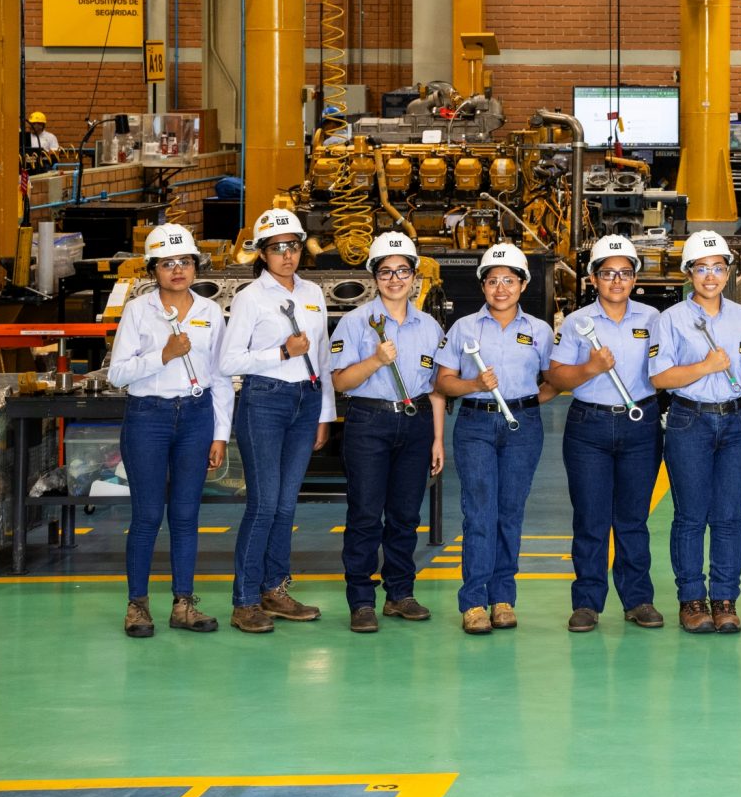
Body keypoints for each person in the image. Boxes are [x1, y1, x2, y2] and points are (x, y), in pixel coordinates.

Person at [107, 224, 231, 638]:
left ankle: (184, 604)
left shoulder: (210, 312)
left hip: (196, 418)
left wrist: (220, 433)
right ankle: (137, 605)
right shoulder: (138, 311)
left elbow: (221, 377)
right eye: (167, 263)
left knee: (185, 514)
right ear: (153, 270)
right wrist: (163, 355)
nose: (178, 270)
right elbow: (118, 374)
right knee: (147, 515)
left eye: (185, 261)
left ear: (196, 266)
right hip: (148, 417)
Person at [218, 207, 335, 633]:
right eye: (277, 248)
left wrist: (325, 413)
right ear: (262, 254)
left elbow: (322, 356)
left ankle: (275, 589)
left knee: (286, 505)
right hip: (264, 402)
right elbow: (229, 361)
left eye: (293, 246)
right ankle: (245, 600)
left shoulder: (313, 292)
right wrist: (282, 352)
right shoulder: (250, 298)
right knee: (264, 504)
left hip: (306, 402)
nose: (287, 255)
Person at [435, 242, 556, 635]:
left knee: (510, 512)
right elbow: (443, 382)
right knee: (479, 512)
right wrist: (474, 384)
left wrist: (524, 403)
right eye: (492, 281)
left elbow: (554, 380)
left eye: (509, 280)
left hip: (523, 427)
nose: (500, 288)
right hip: (475, 425)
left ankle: (503, 598)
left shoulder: (539, 331)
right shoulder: (464, 328)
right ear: (482, 285)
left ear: (523, 284)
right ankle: (473, 602)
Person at [327, 231, 445, 634]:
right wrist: (375, 361)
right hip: (369, 423)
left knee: (405, 516)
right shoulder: (356, 322)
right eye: (386, 272)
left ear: (414, 275)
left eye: (402, 271)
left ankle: (400, 593)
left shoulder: (429, 326)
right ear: (374, 277)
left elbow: (437, 388)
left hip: (416, 423)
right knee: (365, 514)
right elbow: (341, 382)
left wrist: (437, 439)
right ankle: (361, 600)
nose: (395, 279)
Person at [548, 234, 665, 635]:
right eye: (608, 273)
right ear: (593, 278)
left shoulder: (653, 319)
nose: (617, 280)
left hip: (640, 425)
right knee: (591, 518)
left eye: (625, 273)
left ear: (635, 279)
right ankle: (586, 602)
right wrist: (590, 369)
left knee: (633, 518)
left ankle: (638, 600)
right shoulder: (577, 323)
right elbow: (557, 376)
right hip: (589, 428)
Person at [649, 230, 741, 635]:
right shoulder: (671, 320)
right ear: (688, 273)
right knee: (691, 516)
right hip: (689, 420)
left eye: (717, 267)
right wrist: (704, 367)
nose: (710, 276)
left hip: (738, 422)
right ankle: (692, 599)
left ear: (728, 272)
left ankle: (725, 599)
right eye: (701, 268)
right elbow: (660, 377)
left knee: (729, 517)